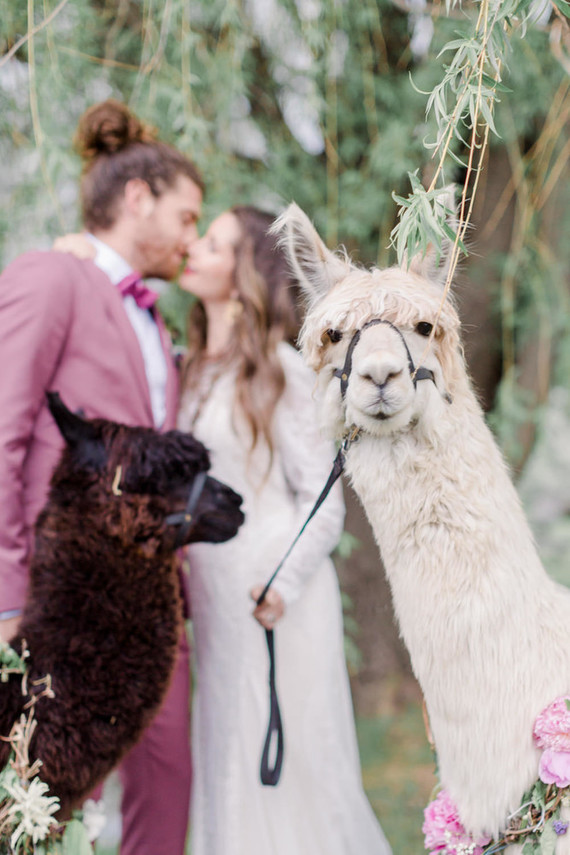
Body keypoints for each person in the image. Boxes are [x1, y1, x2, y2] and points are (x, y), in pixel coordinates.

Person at [0, 99, 203, 855]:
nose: (191, 237)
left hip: (151, 609)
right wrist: (7, 593)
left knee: (168, 784)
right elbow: (5, 429)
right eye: (186, 217)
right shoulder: (52, 277)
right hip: (60, 599)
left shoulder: (155, 319)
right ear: (137, 197)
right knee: (38, 800)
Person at [177, 206, 393, 855]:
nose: (193, 248)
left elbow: (325, 501)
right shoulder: (185, 368)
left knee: (294, 767)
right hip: (212, 602)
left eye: (211, 244)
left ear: (242, 272)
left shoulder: (282, 371)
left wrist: (283, 581)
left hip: (276, 600)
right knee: (226, 756)